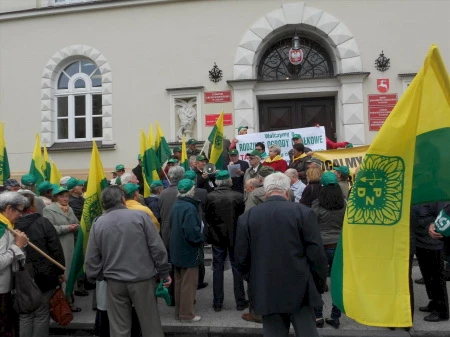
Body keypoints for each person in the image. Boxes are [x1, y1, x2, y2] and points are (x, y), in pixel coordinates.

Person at [235, 173, 328, 337]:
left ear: (265, 192)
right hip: (301, 287)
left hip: (267, 286)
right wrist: (318, 284)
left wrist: (255, 279)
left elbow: (241, 258)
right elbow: (317, 255)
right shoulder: (304, 213)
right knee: (307, 332)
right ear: (287, 192)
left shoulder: (247, 217)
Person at [85, 185, 172, 337]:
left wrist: (98, 276)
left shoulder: (98, 223)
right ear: (123, 199)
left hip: (114, 281)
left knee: (119, 327)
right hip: (142, 279)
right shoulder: (140, 217)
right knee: (150, 325)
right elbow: (157, 248)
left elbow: (91, 257)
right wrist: (164, 272)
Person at [15, 192, 65, 337]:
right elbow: (55, 248)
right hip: (45, 275)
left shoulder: (12, 225)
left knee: (25, 314)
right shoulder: (43, 222)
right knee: (42, 313)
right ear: (32, 206)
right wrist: (60, 271)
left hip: (22, 275)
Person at [205, 171, 247, 313]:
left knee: (218, 268)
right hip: (235, 236)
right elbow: (242, 217)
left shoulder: (210, 197)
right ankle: (240, 302)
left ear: (217, 182)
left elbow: (207, 216)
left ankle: (217, 303)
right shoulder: (238, 196)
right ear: (229, 181)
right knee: (237, 268)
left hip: (217, 236)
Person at [311, 172, 346, 329]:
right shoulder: (345, 204)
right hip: (338, 246)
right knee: (337, 282)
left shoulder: (317, 204)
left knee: (318, 282)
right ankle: (335, 317)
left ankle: (318, 316)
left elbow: (311, 225)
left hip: (320, 246)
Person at [169, 179, 205, 322]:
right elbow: (192, 233)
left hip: (177, 249)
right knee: (188, 285)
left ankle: (179, 312)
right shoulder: (189, 208)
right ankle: (187, 314)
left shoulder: (176, 205)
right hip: (188, 250)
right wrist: (201, 237)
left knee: (179, 283)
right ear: (191, 191)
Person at [42, 185, 80, 311]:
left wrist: (77, 226)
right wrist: (67, 228)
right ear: (55, 197)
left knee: (70, 274)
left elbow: (76, 223)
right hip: (58, 247)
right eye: (62, 196)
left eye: (67, 196)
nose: (65, 198)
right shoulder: (48, 210)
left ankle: (69, 301)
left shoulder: (69, 209)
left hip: (71, 246)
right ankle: (62, 306)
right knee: (62, 275)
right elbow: (49, 229)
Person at [414, 202, 449, 322]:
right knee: (427, 277)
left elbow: (444, 216)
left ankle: (441, 311)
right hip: (419, 241)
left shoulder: (436, 197)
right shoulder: (416, 194)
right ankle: (433, 302)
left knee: (436, 278)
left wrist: (433, 224)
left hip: (433, 244)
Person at [0, 192, 29, 337]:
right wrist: (17, 245)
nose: (21, 215)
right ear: (9, 208)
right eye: (20, 211)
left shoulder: (7, 225)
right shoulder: (1, 228)